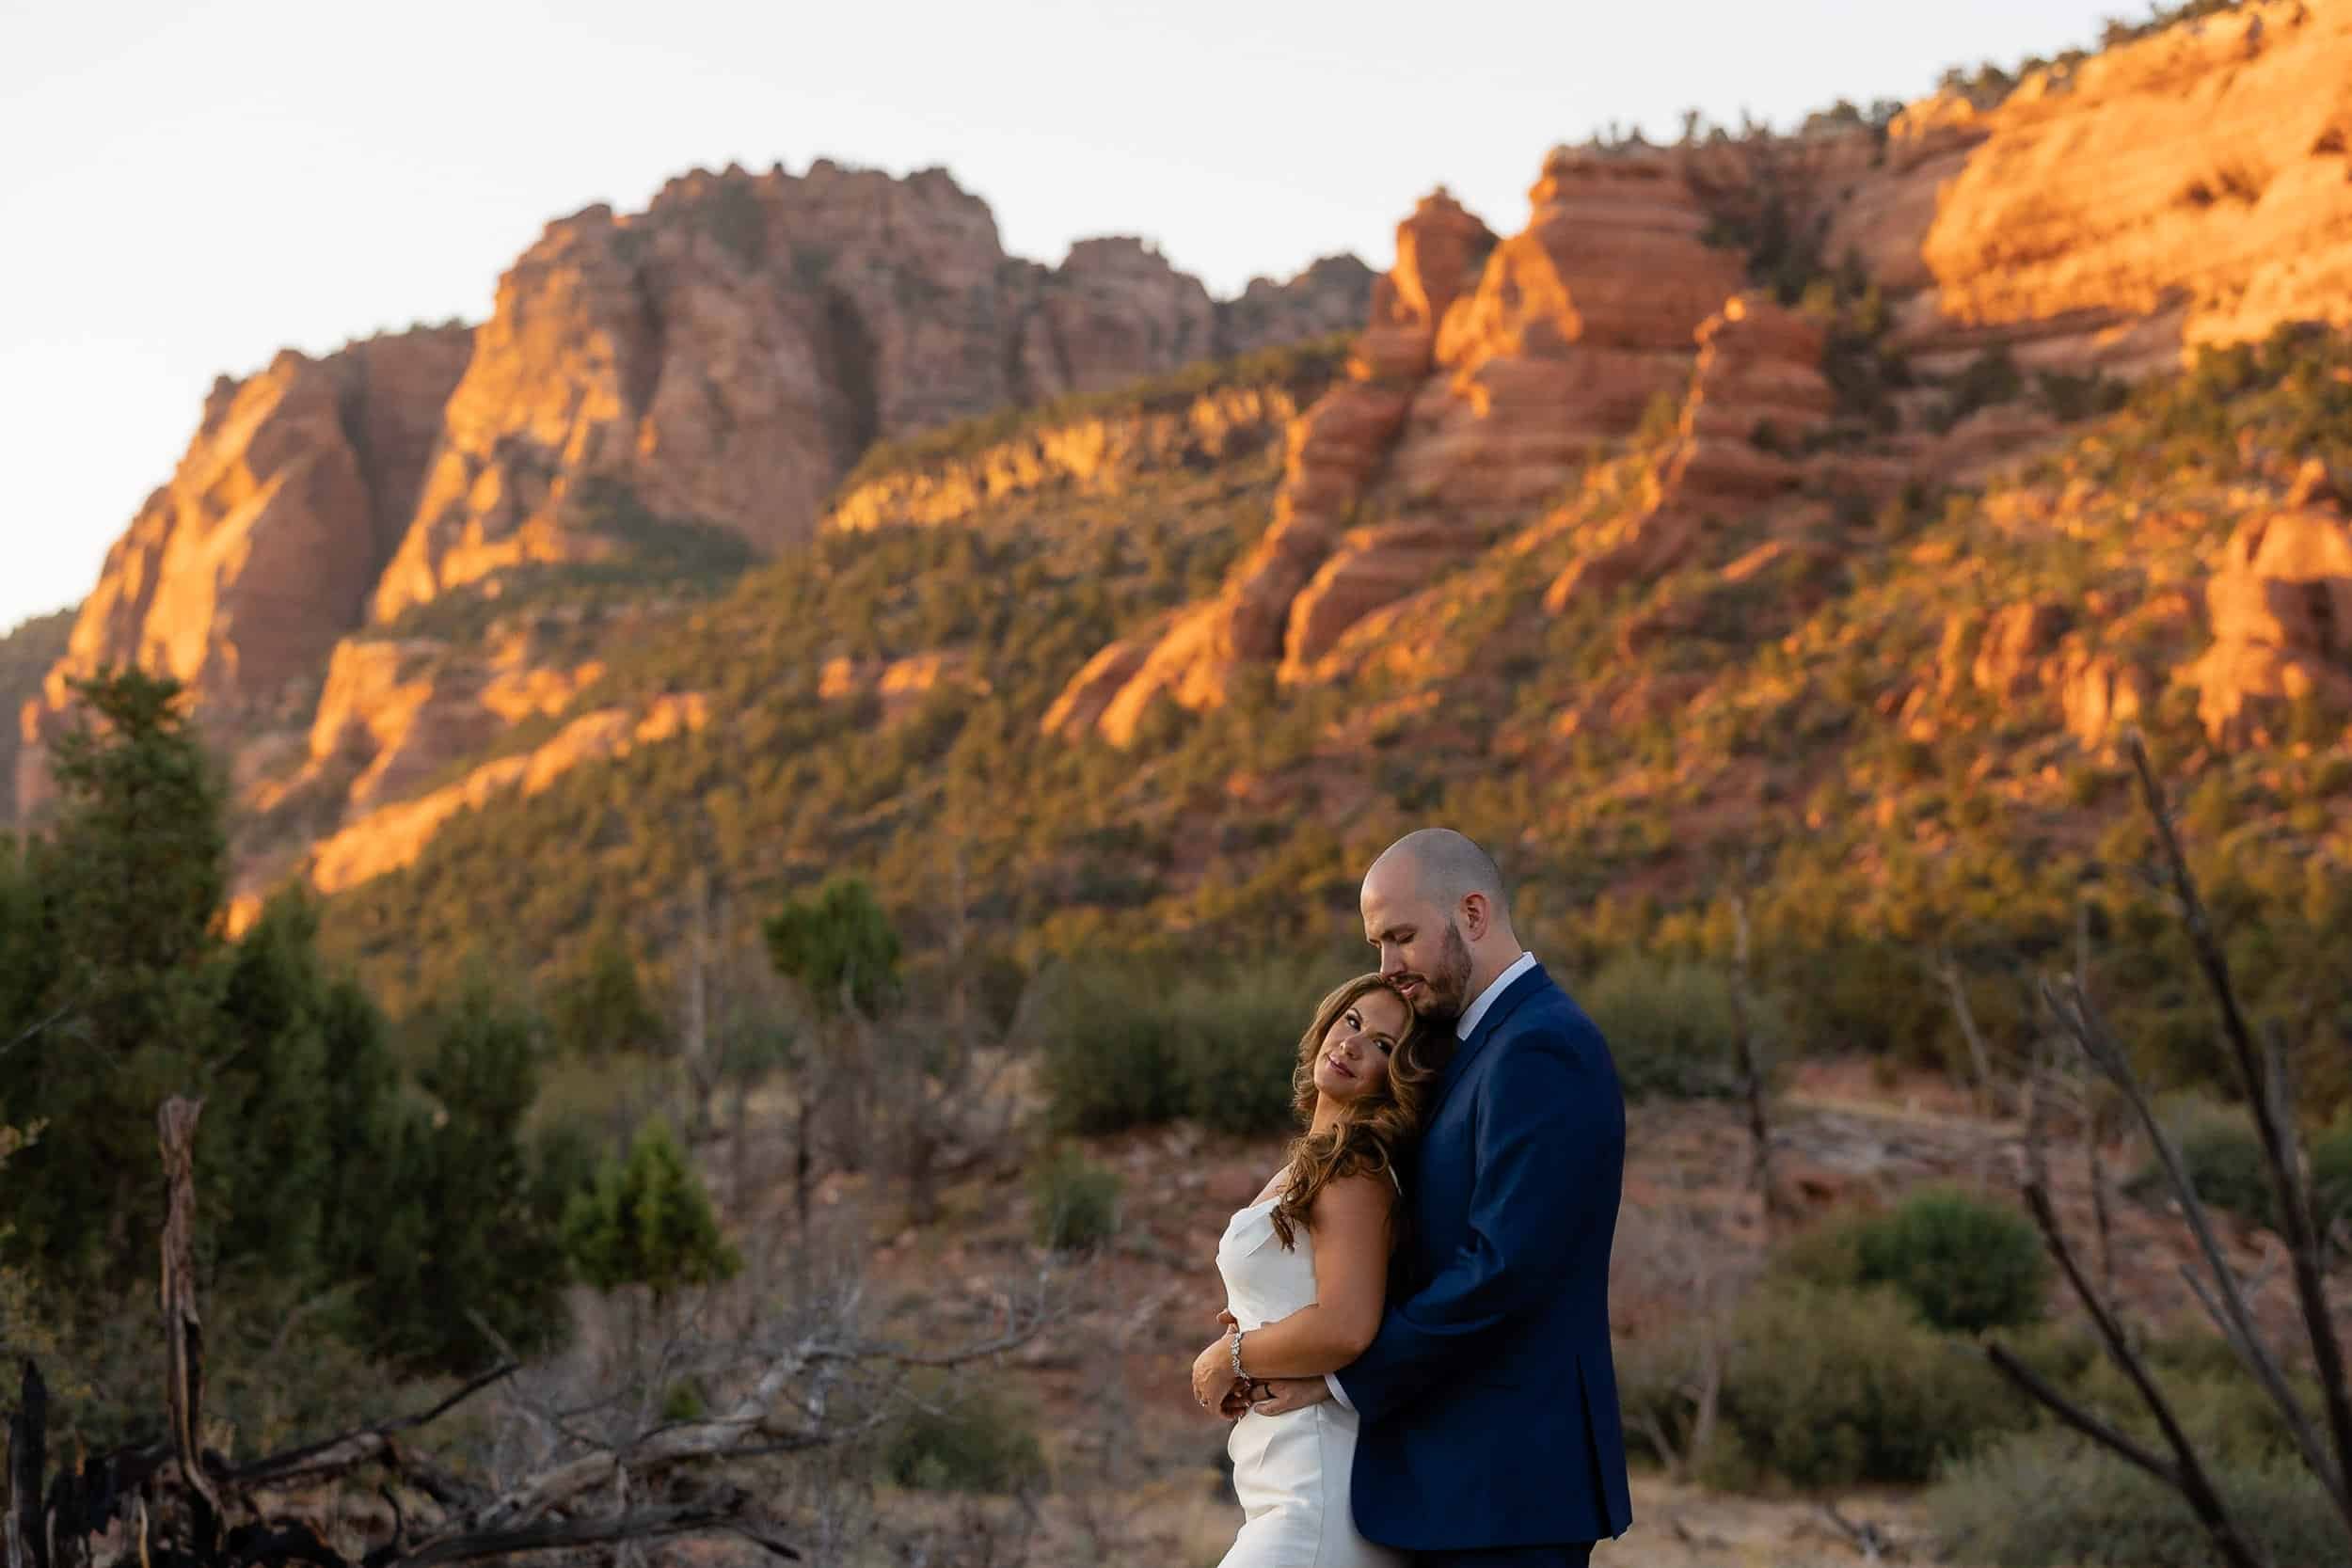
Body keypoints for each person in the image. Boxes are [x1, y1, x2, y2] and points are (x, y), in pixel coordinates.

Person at [1210, 829, 1632, 1568]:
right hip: (1446, 1484)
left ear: (1472, 913)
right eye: (1378, 944)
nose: (1387, 967)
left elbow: (1505, 1268)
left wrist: (1337, 1373)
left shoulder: (1541, 1046)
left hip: (1510, 1486)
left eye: (1400, 937)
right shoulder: (1470, 1046)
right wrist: (1287, 1311)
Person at [1193, 972, 1441, 1568]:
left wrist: (1227, 1357)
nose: (1353, 1044)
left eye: (1383, 1046)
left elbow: (1346, 1326)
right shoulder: (1317, 1157)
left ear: (1399, 1077)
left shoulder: (1355, 1168)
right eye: (1351, 1022)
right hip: (1280, 1484)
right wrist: (1255, 1327)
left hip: (1315, 1496)